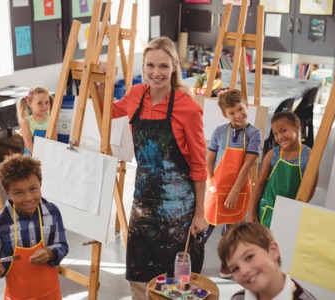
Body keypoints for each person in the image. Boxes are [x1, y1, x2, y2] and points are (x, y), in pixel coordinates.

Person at [112, 36, 209, 298]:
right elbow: (105, 111)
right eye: (150, 66)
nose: (156, 73)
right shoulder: (134, 95)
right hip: (142, 205)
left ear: (174, 66)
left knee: (176, 284)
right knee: (139, 277)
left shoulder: (187, 107)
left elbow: (199, 167)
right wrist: (94, 81)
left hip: (177, 213)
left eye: (164, 66)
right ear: (142, 66)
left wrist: (200, 213)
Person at [0, 153, 68, 299]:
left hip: (50, 295)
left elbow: (62, 245)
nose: (28, 198)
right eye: (19, 193)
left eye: (33, 189)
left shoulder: (52, 212)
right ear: (7, 191)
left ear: (40, 183)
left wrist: (50, 253)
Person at [203, 89, 261, 279]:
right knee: (205, 226)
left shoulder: (254, 134)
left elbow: (247, 165)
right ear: (224, 115)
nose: (237, 115)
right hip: (217, 188)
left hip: (239, 190)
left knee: (230, 233)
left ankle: (226, 264)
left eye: (240, 109)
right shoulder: (219, 131)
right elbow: (209, 158)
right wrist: (210, 181)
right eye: (232, 113)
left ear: (247, 105)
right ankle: (192, 258)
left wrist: (234, 192)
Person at [249, 111, 317, 228]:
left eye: (283, 131)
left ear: (297, 126)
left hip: (292, 213)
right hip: (266, 212)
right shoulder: (271, 155)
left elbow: (310, 188)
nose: (279, 137)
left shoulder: (310, 156)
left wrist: (296, 209)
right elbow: (259, 184)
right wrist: (252, 212)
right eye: (275, 134)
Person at [218, 222, 316, 299]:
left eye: (249, 257)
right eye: (235, 269)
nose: (244, 270)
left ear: (273, 251)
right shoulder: (238, 298)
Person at [17, 87, 53, 155]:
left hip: (48, 155)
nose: (44, 106)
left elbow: (54, 142)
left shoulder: (51, 120)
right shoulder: (26, 122)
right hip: (32, 158)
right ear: (30, 103)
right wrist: (41, 157)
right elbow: (29, 145)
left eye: (46, 102)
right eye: (39, 103)